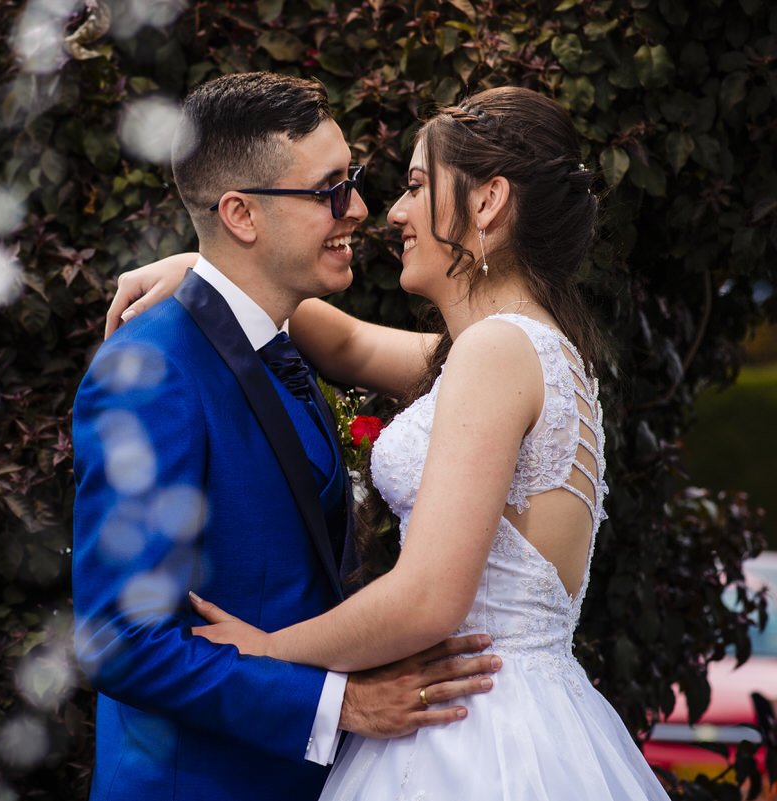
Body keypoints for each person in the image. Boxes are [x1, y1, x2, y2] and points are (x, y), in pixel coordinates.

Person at [104, 86, 669, 799]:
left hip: (471, 729)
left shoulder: (496, 353)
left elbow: (428, 598)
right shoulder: (525, 351)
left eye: (416, 185)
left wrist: (268, 651)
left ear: (488, 202)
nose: (390, 212)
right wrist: (210, 266)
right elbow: (342, 339)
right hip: (519, 712)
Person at [71, 72, 502, 801]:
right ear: (241, 214)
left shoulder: (279, 346)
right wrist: (342, 705)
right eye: (331, 189)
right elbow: (119, 638)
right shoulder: (151, 371)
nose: (360, 209)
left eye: (355, 181)